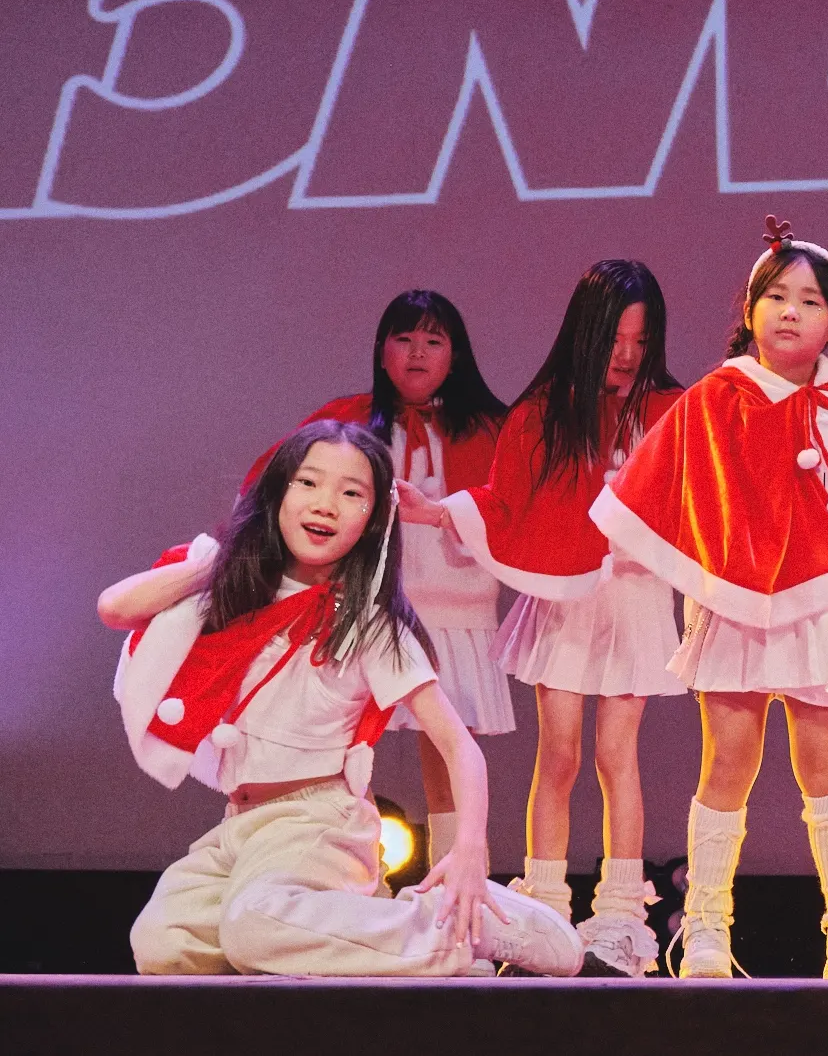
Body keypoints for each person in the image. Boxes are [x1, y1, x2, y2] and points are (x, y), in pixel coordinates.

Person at [592, 218, 828, 979]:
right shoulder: (714, 399)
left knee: (824, 760)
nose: (790, 311)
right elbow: (652, 489)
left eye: (809, 300)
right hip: (737, 603)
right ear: (750, 311)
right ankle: (706, 927)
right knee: (728, 760)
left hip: (825, 603)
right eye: (775, 296)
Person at [106, 421, 580, 977]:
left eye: (352, 493)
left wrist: (470, 851)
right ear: (277, 493)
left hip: (319, 823)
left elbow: (459, 746)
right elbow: (117, 609)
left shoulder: (370, 624)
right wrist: (223, 558)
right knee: (162, 944)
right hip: (240, 822)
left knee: (253, 926)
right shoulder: (233, 592)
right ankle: (351, 934)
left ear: (373, 518)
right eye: (307, 483)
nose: (325, 504)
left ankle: (455, 931)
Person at [399, 260, 683, 977]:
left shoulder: (670, 410)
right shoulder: (545, 412)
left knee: (617, 754)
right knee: (558, 755)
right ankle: (546, 913)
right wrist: (438, 512)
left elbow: (703, 496)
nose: (627, 354)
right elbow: (505, 500)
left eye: (641, 340)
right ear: (586, 333)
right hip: (564, 596)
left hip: (637, 600)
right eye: (615, 338)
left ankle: (620, 918)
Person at [244, 289, 513, 870]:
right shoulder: (344, 423)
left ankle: (455, 882)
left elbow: (518, 510)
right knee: (340, 741)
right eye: (404, 339)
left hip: (457, 609)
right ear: (381, 350)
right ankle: (343, 875)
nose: (417, 352)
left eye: (433, 341)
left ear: (455, 356)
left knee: (448, 747)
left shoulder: (493, 429)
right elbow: (268, 486)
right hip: (362, 608)